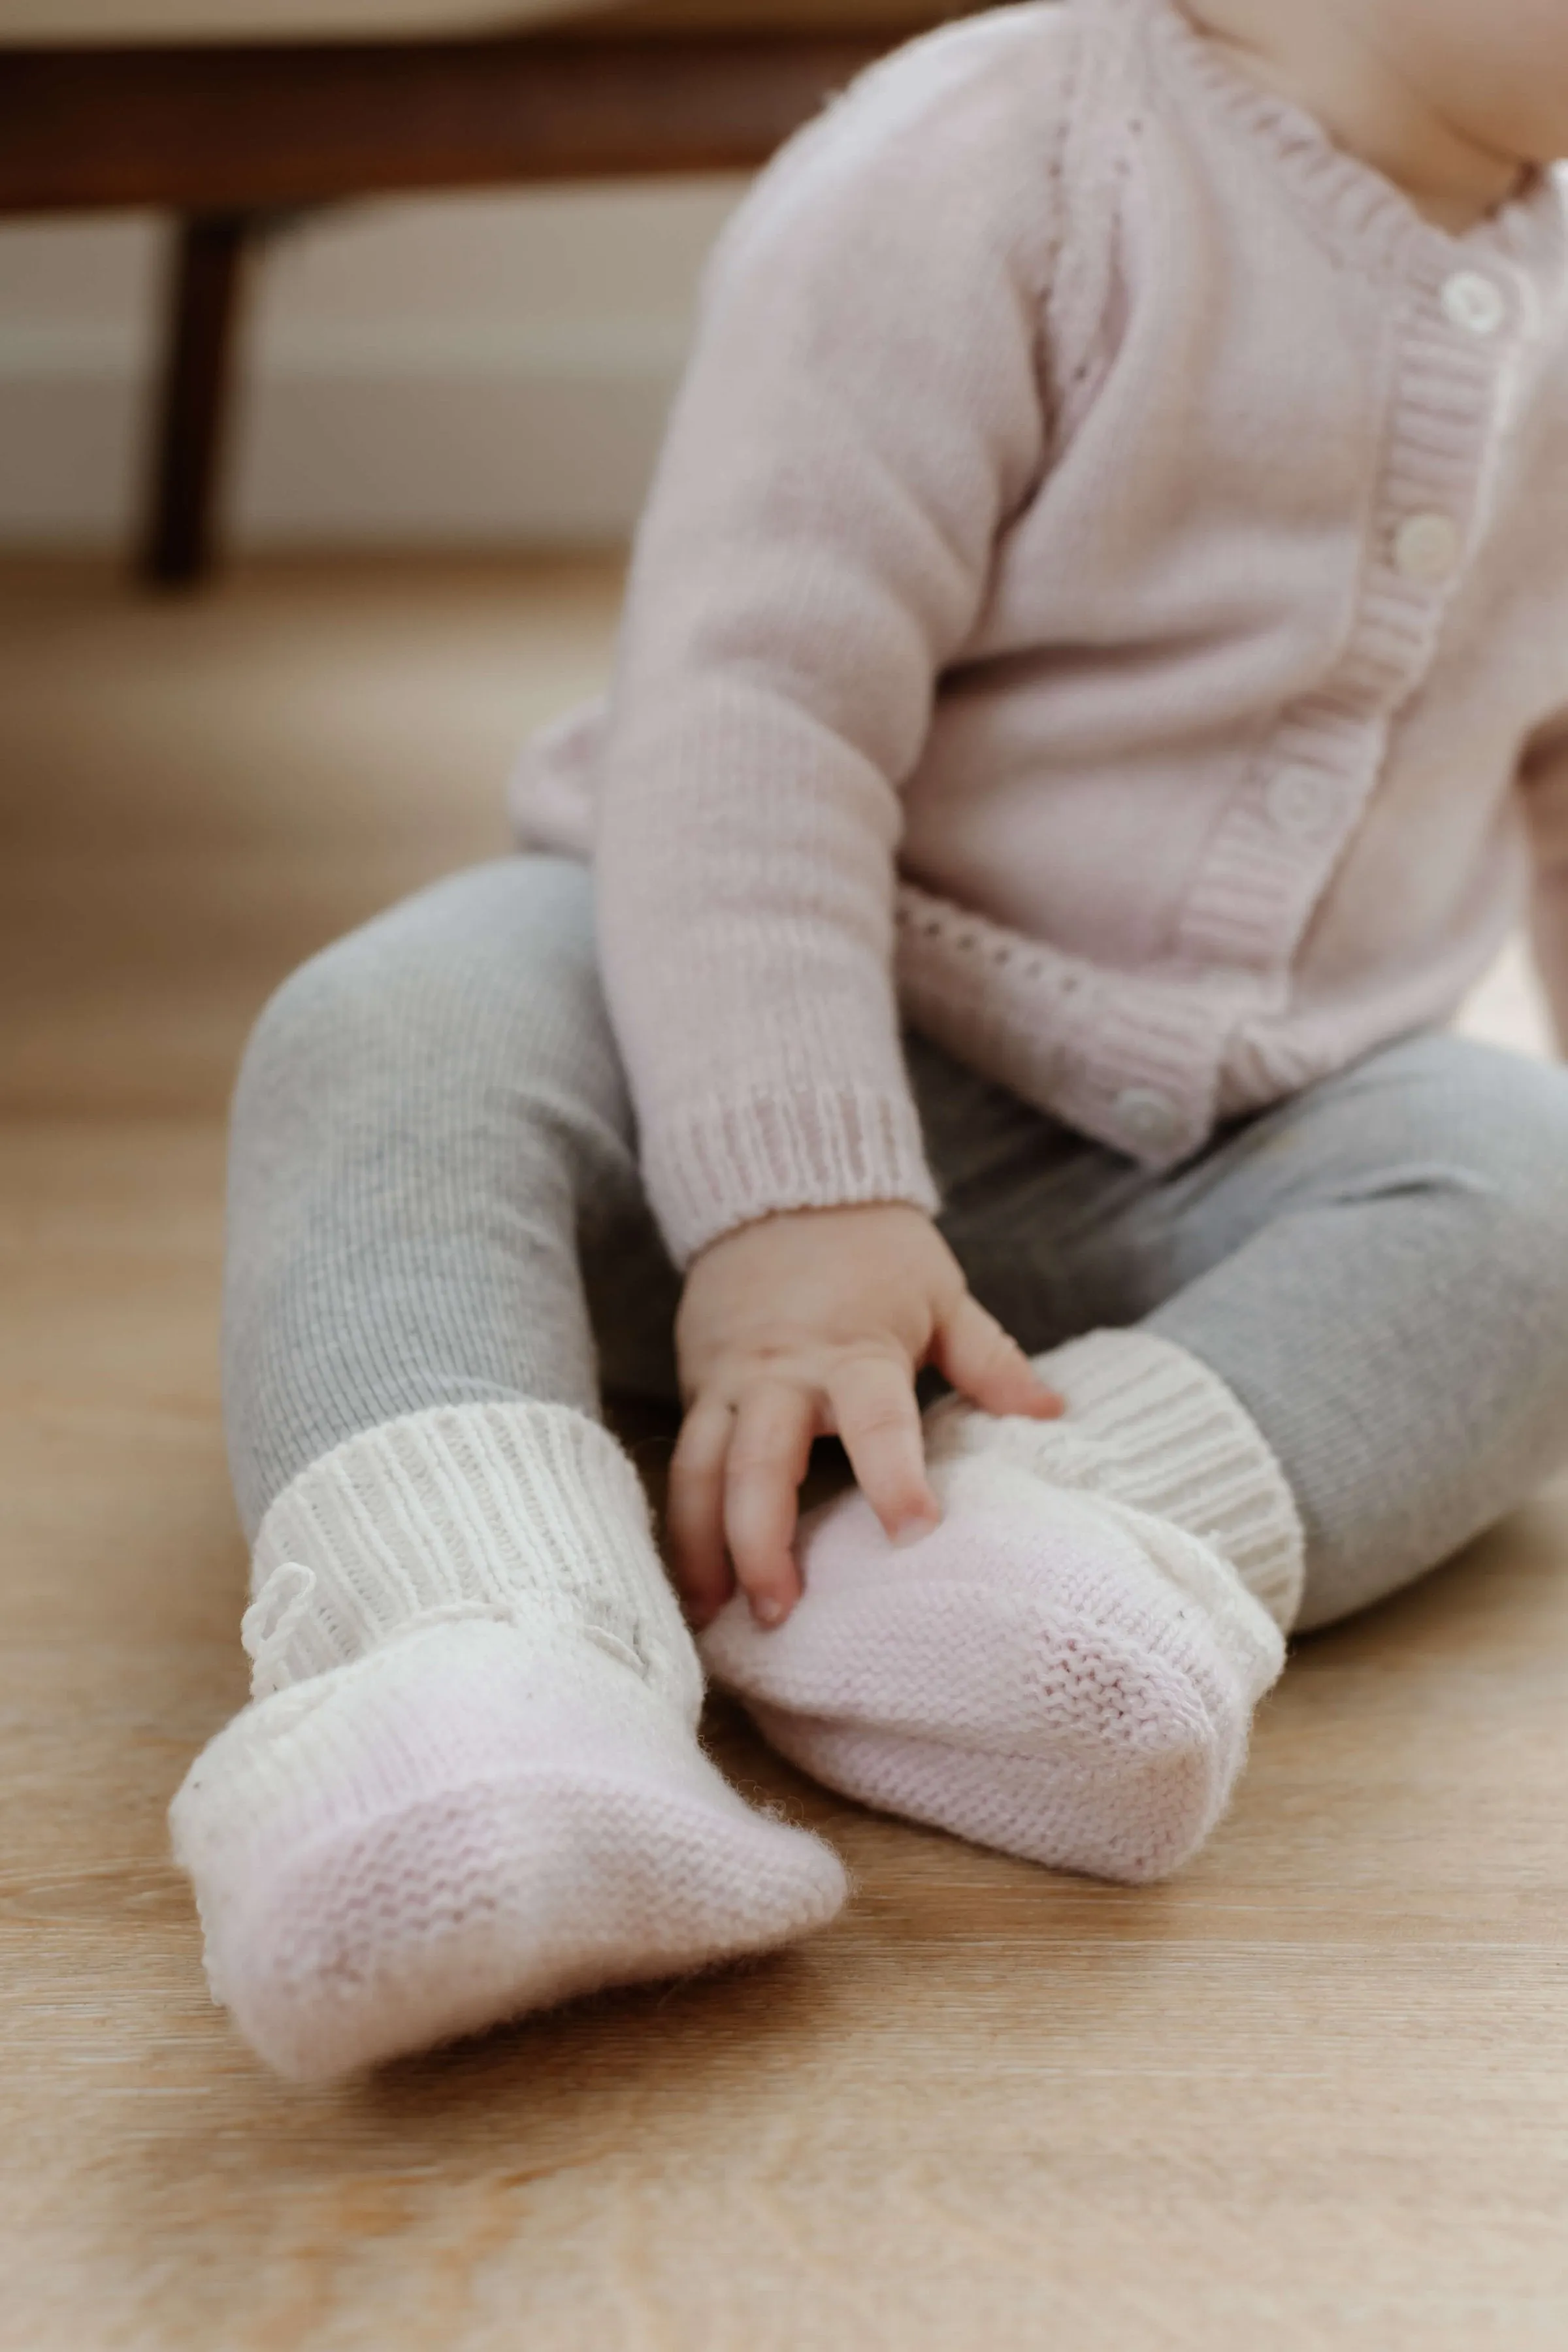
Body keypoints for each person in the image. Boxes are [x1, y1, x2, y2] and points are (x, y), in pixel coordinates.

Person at [170, 0, 1568, 2083]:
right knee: (393, 1028)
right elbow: (757, 704)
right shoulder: (1002, 158)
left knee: (1525, 1189)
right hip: (707, 1018)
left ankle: (1011, 1558)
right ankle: (485, 1656)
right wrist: (794, 1191)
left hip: (1200, 1145)